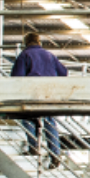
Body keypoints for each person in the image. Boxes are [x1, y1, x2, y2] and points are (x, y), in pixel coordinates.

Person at [10, 32, 67, 168]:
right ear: (39, 42)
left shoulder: (24, 55)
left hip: (32, 93)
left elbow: (17, 76)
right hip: (49, 93)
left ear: (26, 42)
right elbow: (63, 72)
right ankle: (55, 154)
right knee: (49, 122)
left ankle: (34, 146)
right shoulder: (50, 55)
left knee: (28, 118)